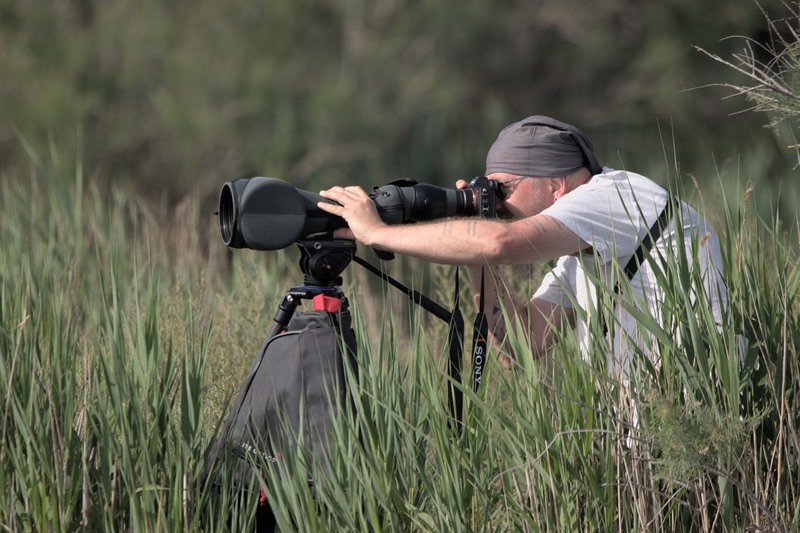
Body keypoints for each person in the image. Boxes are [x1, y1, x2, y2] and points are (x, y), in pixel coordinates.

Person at [317, 115, 727, 373]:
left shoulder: (617, 196)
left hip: (694, 442)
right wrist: (474, 236)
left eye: (504, 188)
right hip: (640, 462)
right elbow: (521, 345)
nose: (497, 201)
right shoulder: (585, 249)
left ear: (555, 185)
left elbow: (500, 244)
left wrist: (377, 234)